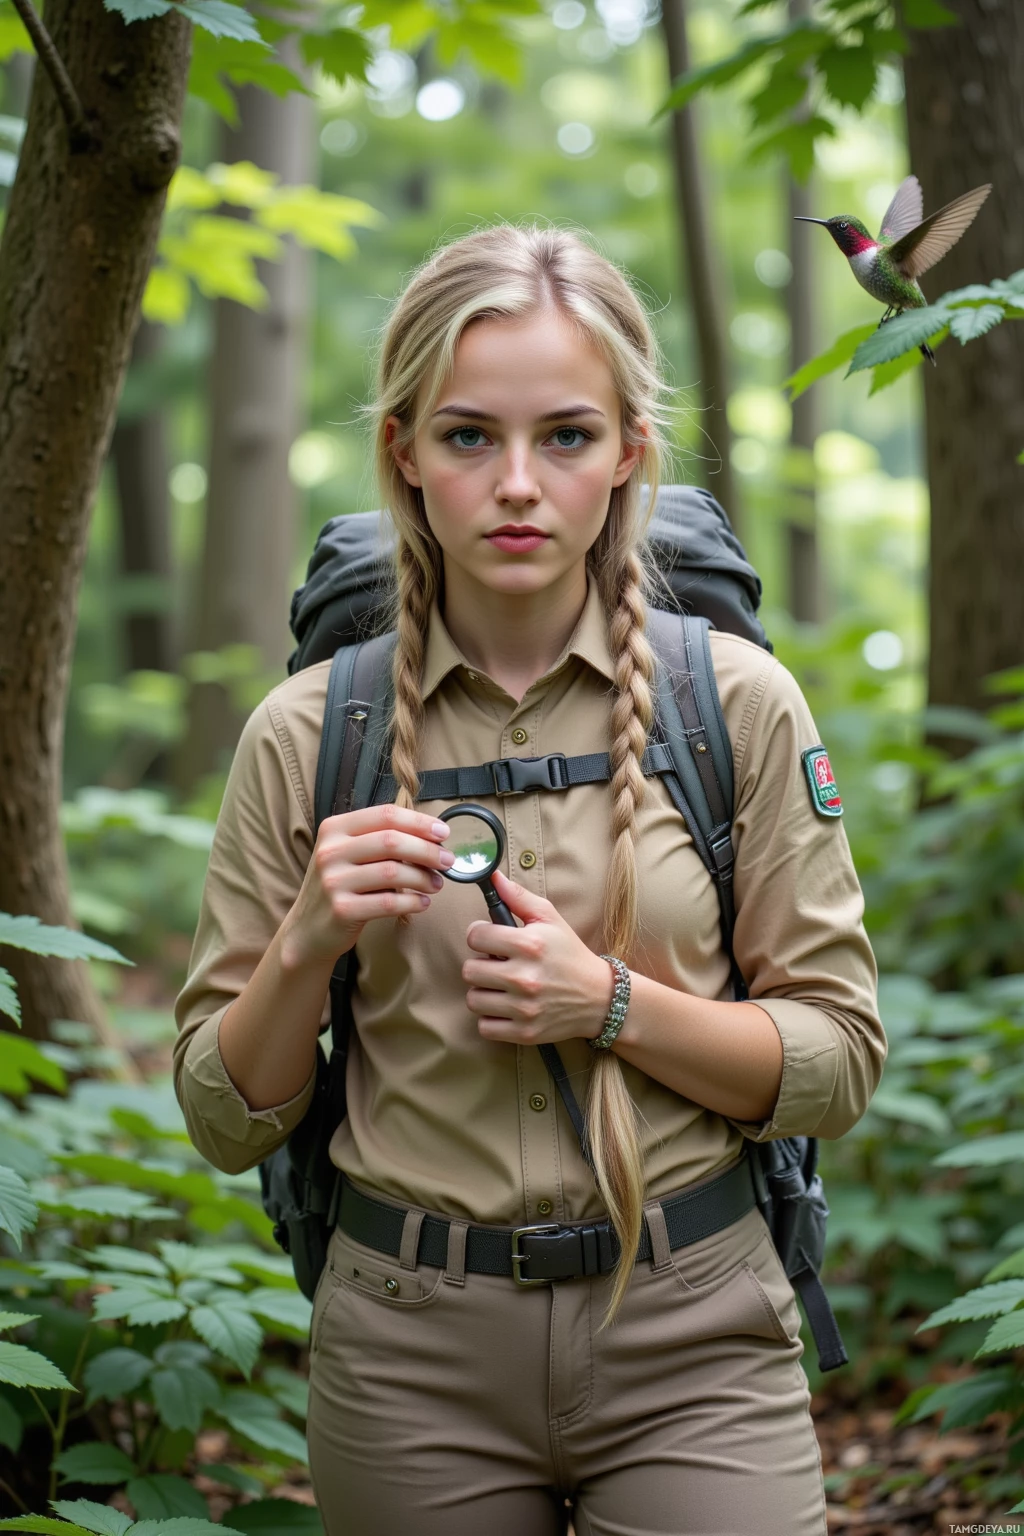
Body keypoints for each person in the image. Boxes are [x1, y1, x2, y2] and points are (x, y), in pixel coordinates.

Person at [173, 223, 886, 1536]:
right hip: (407, 1356)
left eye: (564, 435)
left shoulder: (730, 706)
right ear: (403, 452)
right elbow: (225, 1125)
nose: (516, 483)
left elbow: (838, 1063)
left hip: (698, 1335)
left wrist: (611, 1003)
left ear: (627, 451)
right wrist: (302, 945)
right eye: (466, 437)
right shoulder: (306, 731)